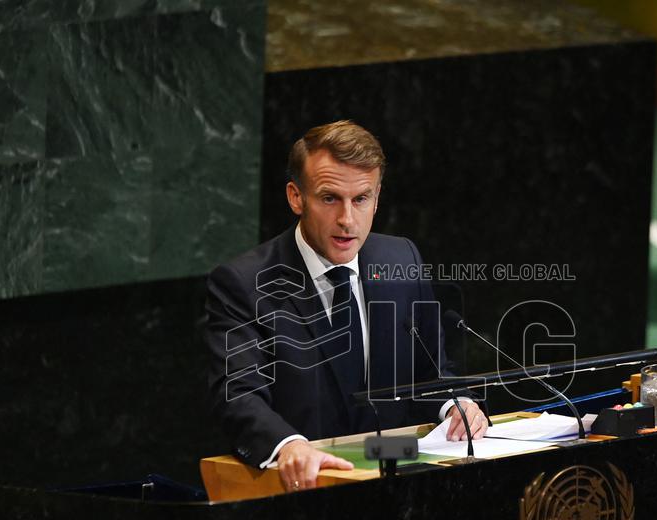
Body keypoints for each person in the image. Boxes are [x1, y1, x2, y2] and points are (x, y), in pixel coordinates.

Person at [205, 120, 485, 491]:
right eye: (329, 198)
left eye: (361, 199)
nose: (347, 220)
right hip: (301, 487)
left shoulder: (401, 259)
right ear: (295, 197)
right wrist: (289, 446)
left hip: (397, 478)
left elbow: (432, 371)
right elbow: (238, 395)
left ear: (377, 198)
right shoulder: (244, 283)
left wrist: (455, 405)